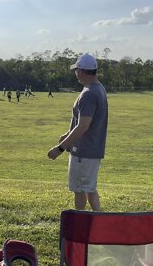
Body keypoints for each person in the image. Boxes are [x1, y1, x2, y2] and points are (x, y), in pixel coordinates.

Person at [47, 53, 108, 211]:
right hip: (92, 150)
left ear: (82, 71)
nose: (75, 74)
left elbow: (83, 126)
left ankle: (81, 223)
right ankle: (99, 220)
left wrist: (60, 148)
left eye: (76, 70)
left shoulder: (88, 94)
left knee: (80, 190)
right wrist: (68, 135)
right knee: (89, 188)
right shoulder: (99, 88)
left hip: (83, 152)